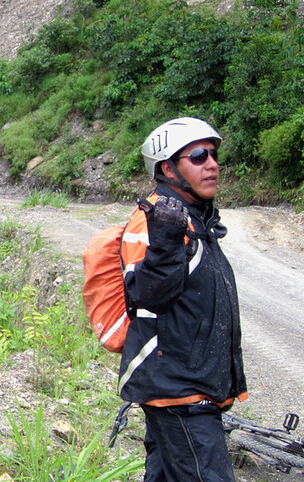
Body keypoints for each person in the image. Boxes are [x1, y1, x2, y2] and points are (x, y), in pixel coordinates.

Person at [119, 117, 248, 482]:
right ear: (167, 167)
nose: (212, 164)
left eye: (213, 155)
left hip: (187, 385)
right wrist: (164, 241)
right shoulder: (155, 219)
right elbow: (144, 295)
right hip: (179, 390)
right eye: (198, 155)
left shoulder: (194, 218)